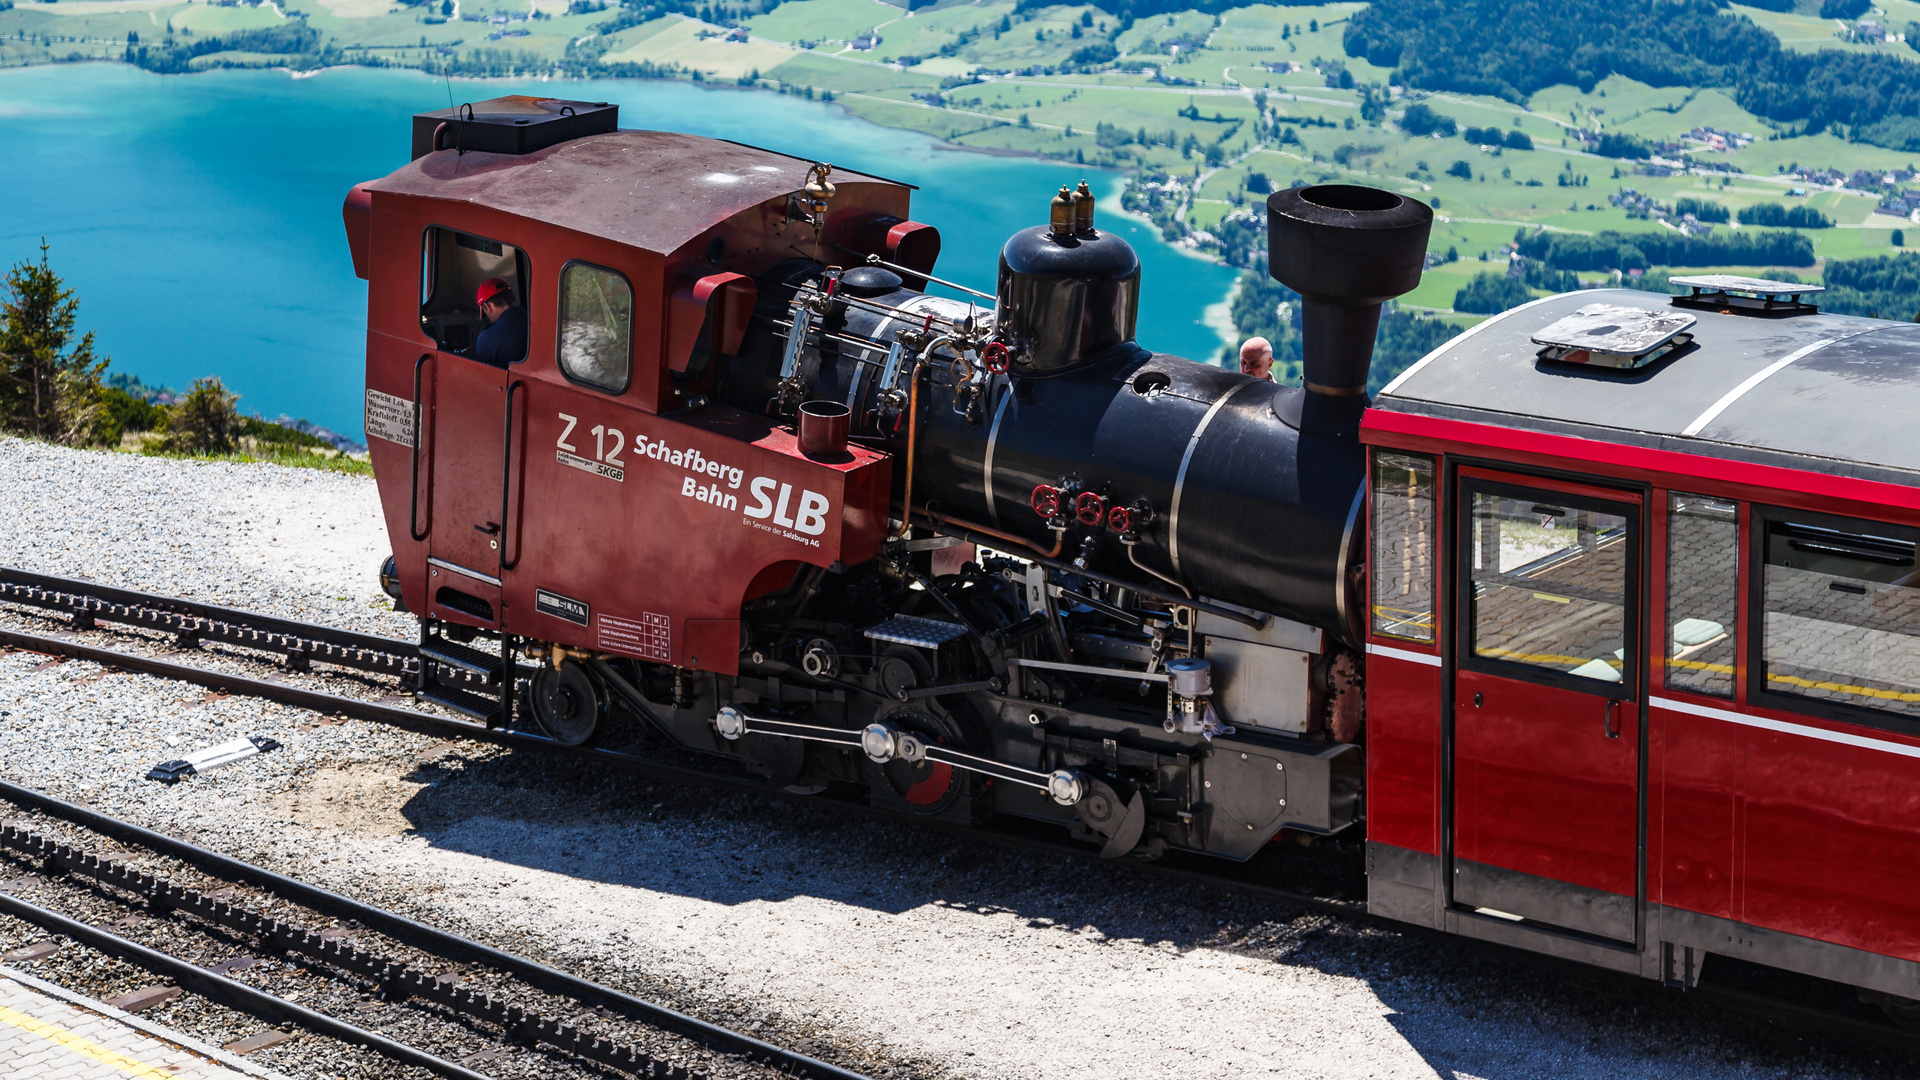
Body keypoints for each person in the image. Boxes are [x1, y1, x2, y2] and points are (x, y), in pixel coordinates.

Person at [470, 278, 527, 367]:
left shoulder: (488, 337)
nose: (488, 316)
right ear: (513, 297)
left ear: (488, 306)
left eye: (485, 313)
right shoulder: (537, 321)